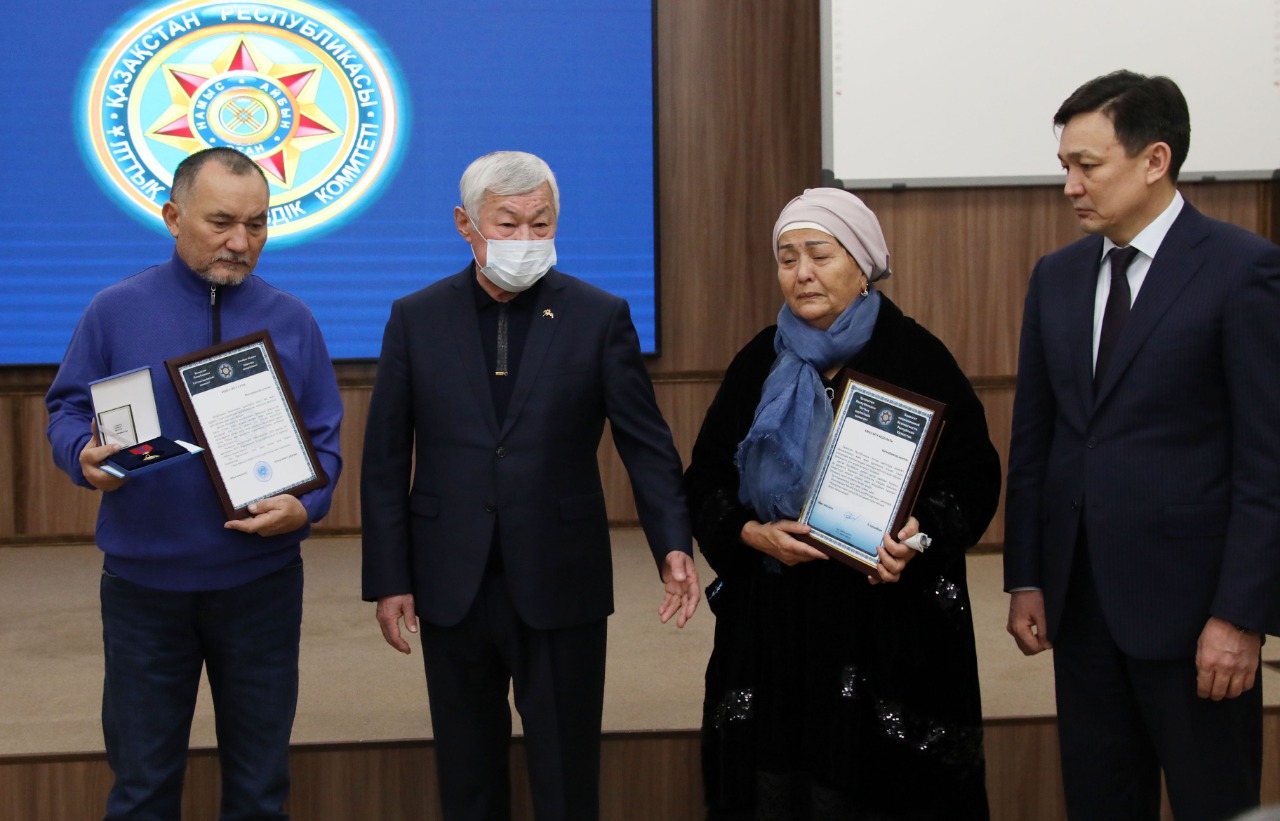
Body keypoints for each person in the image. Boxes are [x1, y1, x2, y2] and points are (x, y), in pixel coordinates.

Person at [360, 150, 700, 821]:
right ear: (466, 225)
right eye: (507, 223)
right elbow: (384, 457)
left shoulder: (599, 316)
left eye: (539, 224)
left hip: (560, 575)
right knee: (468, 777)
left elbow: (646, 443)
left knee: (567, 776)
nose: (525, 240)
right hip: (452, 578)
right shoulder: (415, 318)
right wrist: (390, 577)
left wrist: (673, 543)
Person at [1004, 70, 1280, 821]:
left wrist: (1241, 614)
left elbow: (1267, 460)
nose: (1070, 186)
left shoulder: (1240, 269)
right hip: (1082, 608)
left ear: (1155, 160)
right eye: (1065, 165)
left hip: (1198, 619)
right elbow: (1035, 440)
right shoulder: (1056, 278)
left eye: (1087, 166)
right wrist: (1026, 575)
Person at [45, 146, 344, 819]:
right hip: (144, 590)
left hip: (261, 587)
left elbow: (325, 438)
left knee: (260, 789)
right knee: (143, 787)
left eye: (258, 224)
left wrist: (308, 506)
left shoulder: (291, 317)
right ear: (172, 216)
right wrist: (80, 455)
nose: (241, 242)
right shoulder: (114, 310)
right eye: (220, 222)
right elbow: (65, 408)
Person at [684, 187, 1001, 820]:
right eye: (786, 257)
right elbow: (706, 477)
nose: (801, 273)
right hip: (779, 618)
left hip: (885, 619)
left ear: (860, 264)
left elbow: (975, 477)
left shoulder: (915, 356)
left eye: (820, 255)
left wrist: (918, 535)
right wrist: (751, 534)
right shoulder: (759, 360)